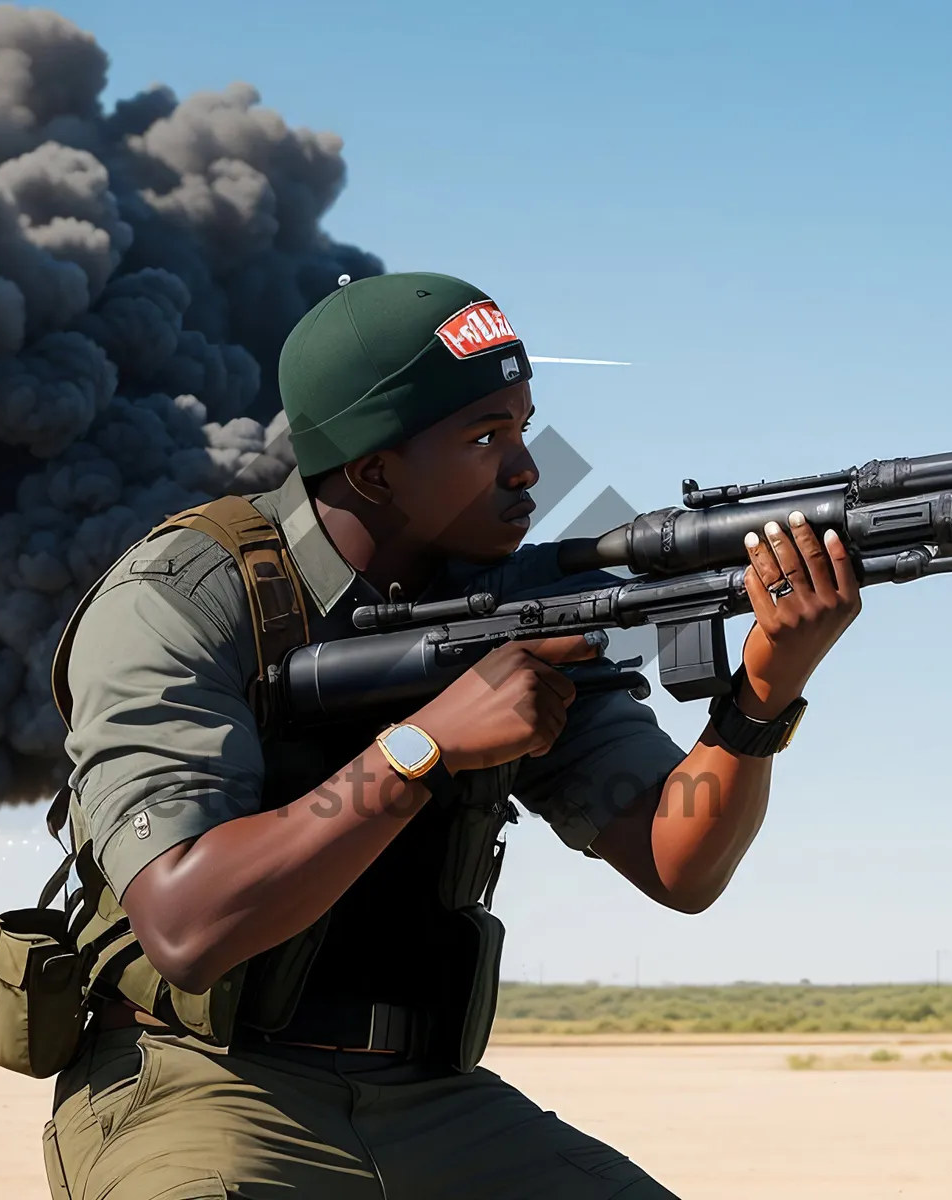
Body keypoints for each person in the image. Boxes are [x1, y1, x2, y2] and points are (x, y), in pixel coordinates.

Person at [44, 272, 861, 1199]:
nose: (526, 470)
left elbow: (679, 861)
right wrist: (421, 748)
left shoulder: (518, 604)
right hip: (198, 1083)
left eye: (523, 427)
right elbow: (186, 926)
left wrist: (760, 697)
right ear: (374, 470)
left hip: (432, 1099)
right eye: (484, 437)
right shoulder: (181, 599)